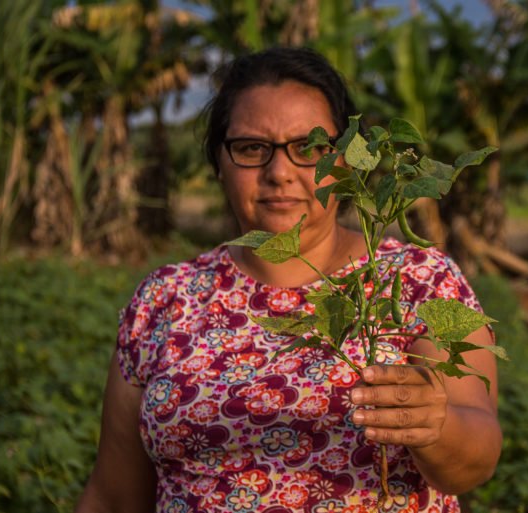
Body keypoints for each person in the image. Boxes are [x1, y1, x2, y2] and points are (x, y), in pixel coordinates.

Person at [75, 47, 501, 513]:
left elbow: (475, 461)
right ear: (219, 162)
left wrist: (434, 424)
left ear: (348, 162)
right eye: (252, 148)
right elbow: (114, 496)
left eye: (309, 148)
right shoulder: (164, 297)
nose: (280, 173)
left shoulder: (422, 280)